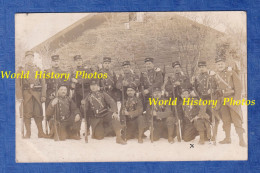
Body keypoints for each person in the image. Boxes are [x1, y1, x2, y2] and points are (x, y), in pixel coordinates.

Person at [81, 80, 126, 145]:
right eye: (91, 86)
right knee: (99, 136)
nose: (93, 87)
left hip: (105, 114)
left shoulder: (103, 94)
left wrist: (115, 112)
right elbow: (85, 110)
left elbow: (111, 102)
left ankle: (118, 138)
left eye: (95, 85)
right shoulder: (87, 96)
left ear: (98, 86)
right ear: (90, 87)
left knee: (115, 118)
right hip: (96, 118)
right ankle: (111, 128)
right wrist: (83, 105)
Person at [214, 57, 246, 147]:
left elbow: (238, 87)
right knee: (225, 120)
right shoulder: (216, 75)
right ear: (216, 66)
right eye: (218, 64)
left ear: (225, 64)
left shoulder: (231, 72)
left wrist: (236, 100)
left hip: (232, 99)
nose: (220, 66)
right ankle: (227, 138)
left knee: (237, 120)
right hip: (222, 100)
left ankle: (241, 140)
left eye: (221, 64)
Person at [16, 51, 48, 139]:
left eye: (31, 57)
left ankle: (40, 132)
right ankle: (28, 133)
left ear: (33, 58)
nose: (30, 59)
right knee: (27, 113)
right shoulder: (21, 70)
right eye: (28, 57)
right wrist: (19, 96)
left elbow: (43, 83)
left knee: (38, 113)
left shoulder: (38, 69)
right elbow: (18, 84)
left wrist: (43, 95)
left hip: (37, 94)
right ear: (25, 58)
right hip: (26, 94)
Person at [192, 61, 220, 142]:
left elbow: (217, 86)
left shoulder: (211, 75)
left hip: (211, 99)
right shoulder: (197, 77)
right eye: (200, 67)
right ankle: (206, 135)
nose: (201, 68)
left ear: (206, 67)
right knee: (203, 117)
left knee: (214, 117)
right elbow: (195, 88)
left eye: (203, 67)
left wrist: (212, 89)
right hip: (202, 100)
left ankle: (214, 135)